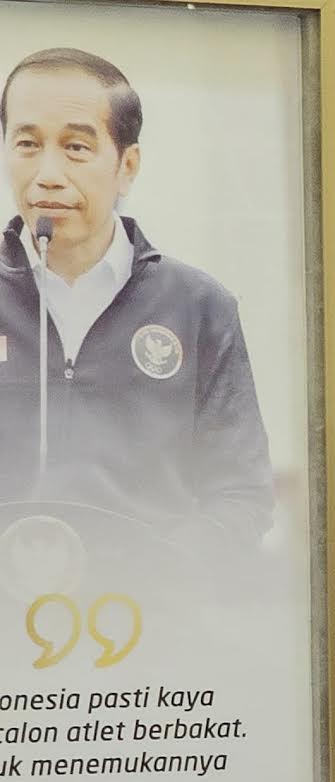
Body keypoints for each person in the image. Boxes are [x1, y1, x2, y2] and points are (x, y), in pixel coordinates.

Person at [0, 47, 274, 542]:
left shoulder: (198, 307)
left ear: (127, 166)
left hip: (143, 614)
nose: (48, 174)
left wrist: (160, 570)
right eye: (26, 144)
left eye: (76, 148)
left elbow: (242, 498)